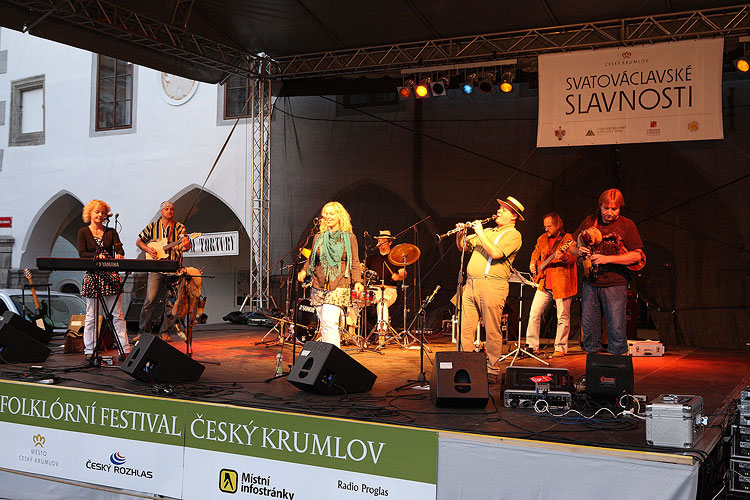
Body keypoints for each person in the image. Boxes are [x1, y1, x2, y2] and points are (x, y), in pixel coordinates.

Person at [456, 196, 524, 383]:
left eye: (503, 209)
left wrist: (479, 233)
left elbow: (496, 253)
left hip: (492, 285)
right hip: (470, 284)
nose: (499, 211)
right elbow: (463, 247)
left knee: (492, 329)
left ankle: (492, 369)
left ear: (513, 216)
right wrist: (461, 233)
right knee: (465, 328)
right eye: (499, 208)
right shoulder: (487, 231)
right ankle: (465, 365)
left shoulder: (514, 235)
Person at [570, 189, 646, 355]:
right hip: (591, 283)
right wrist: (579, 251)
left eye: (614, 209)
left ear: (620, 208)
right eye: (606, 208)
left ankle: (618, 369)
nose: (610, 213)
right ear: (600, 206)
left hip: (615, 284)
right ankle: (593, 367)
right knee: (589, 328)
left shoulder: (627, 225)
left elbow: (637, 256)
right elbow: (570, 246)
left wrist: (607, 259)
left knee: (616, 329)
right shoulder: (590, 221)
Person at [297, 201, 364, 349]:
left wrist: (358, 281)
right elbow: (312, 259)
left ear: (340, 216)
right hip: (319, 283)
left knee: (329, 320)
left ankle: (333, 356)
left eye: (331, 213)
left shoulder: (349, 237)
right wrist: (304, 270)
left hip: (339, 282)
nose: (327, 217)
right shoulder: (318, 237)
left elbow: (355, 260)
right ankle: (329, 355)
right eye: (325, 214)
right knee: (324, 323)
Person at [77, 199, 130, 361]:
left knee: (117, 314)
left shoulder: (111, 231)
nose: (100, 215)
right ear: (90, 214)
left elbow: (119, 248)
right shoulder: (83, 232)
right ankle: (89, 350)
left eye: (102, 212)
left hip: (110, 276)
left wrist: (119, 253)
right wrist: (96, 256)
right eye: (97, 212)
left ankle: (124, 349)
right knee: (92, 315)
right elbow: (82, 253)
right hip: (93, 276)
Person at [133, 201, 191, 343]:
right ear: (161, 211)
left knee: (171, 302)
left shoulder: (179, 227)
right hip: (155, 268)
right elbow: (139, 241)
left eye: (172, 209)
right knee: (150, 300)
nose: (170, 211)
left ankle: (165, 332)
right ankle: (143, 332)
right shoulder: (153, 226)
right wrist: (148, 249)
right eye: (167, 209)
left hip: (174, 270)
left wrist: (186, 244)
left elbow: (184, 248)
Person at [525, 213, 577, 357]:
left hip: (562, 284)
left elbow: (574, 257)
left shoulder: (568, 239)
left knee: (563, 317)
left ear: (558, 225)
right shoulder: (542, 239)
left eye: (549, 226)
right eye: (545, 226)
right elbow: (536, 253)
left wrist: (565, 256)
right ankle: (531, 346)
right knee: (534, 313)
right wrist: (532, 263)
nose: (546, 229)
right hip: (544, 283)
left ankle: (560, 348)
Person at [364, 230, 406, 338]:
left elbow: (403, 273)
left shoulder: (395, 258)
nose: (380, 242)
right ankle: (351, 332)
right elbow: (363, 269)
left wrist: (398, 276)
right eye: (379, 240)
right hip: (372, 290)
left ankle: (381, 335)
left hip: (389, 290)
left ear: (390, 242)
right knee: (354, 302)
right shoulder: (371, 258)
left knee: (382, 304)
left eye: (383, 240)